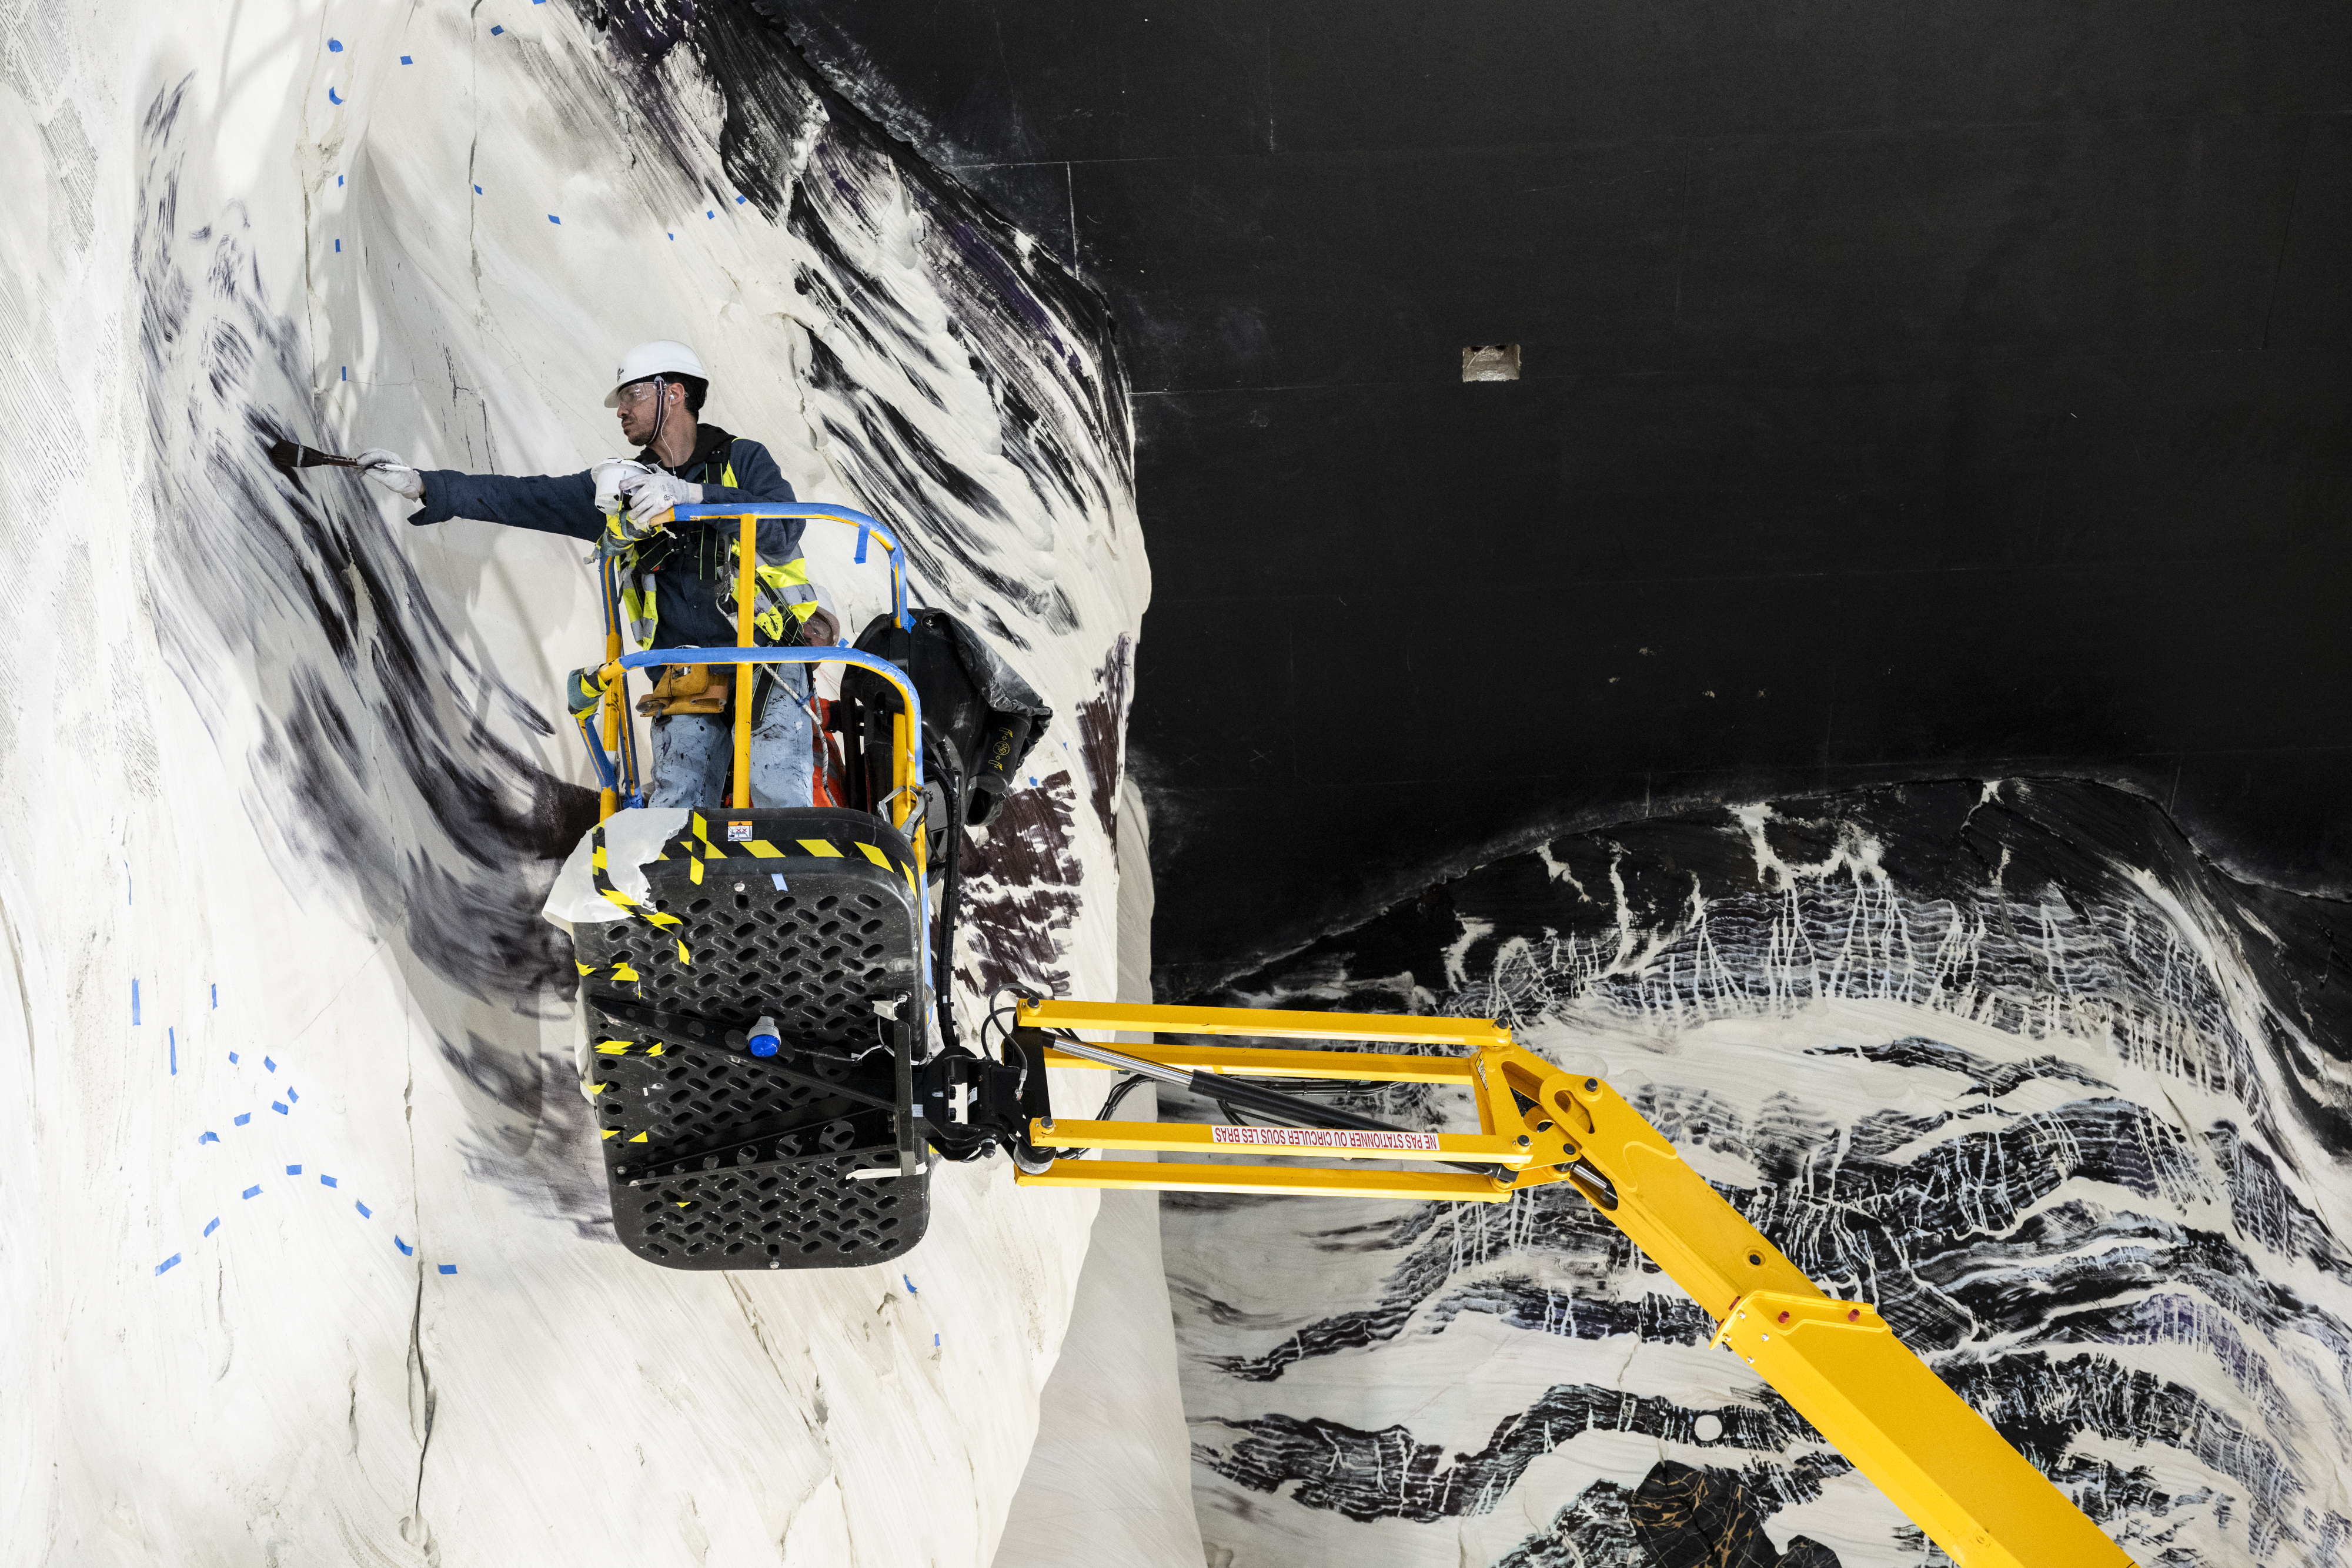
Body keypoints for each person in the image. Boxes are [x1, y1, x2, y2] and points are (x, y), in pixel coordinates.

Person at [354, 341, 830, 810]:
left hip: (769, 660)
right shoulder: (621, 487)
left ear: (675, 393)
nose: (621, 410)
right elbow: (528, 497)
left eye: (632, 395)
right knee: (678, 812)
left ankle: (792, 883)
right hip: (686, 674)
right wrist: (426, 486)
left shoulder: (742, 460)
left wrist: (692, 498)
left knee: (777, 794)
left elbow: (784, 527)